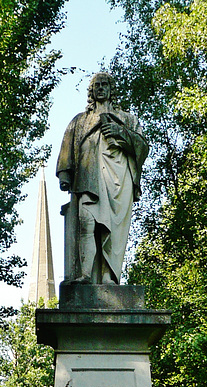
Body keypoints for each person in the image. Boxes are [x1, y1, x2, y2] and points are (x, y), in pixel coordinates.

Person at [57, 72, 149, 284]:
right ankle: (85, 275)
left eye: (104, 84)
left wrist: (120, 132)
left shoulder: (127, 119)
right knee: (86, 222)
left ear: (111, 89)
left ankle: (109, 277)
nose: (100, 88)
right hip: (89, 177)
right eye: (96, 85)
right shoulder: (80, 121)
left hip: (118, 180)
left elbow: (142, 148)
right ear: (91, 91)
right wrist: (65, 174)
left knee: (113, 229)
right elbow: (67, 146)